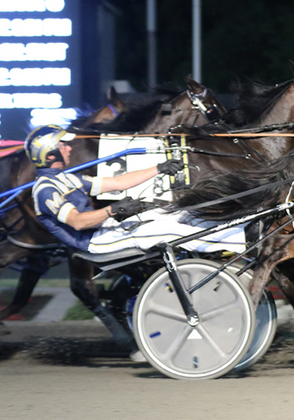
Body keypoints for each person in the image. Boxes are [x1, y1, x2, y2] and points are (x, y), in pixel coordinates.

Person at [24, 124, 248, 361]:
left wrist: (159, 168)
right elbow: (78, 222)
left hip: (106, 231)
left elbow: (119, 183)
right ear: (50, 155)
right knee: (167, 229)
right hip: (96, 243)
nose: (69, 148)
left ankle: (233, 229)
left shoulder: (67, 179)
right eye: (63, 145)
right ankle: (240, 242)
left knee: (170, 213)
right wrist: (113, 209)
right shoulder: (45, 190)